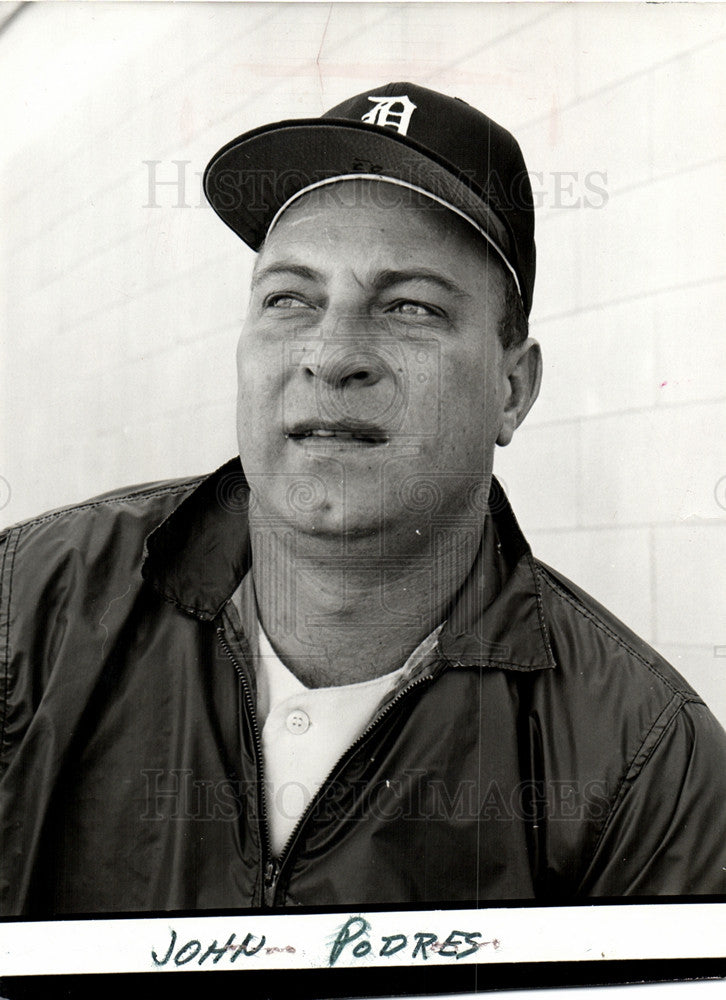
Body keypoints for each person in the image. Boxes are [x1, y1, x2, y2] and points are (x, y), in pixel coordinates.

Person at [1, 82, 725, 917]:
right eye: (290, 299)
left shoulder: (647, 766)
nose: (333, 353)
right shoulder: (29, 613)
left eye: (411, 306)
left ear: (513, 391)